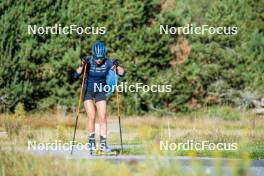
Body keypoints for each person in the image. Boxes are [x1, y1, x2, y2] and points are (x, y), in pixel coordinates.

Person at [73, 41, 124, 152]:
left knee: (102, 116)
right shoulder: (89, 62)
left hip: (100, 90)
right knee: (92, 116)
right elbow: (75, 74)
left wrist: (117, 65)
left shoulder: (107, 62)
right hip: (88, 90)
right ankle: (91, 142)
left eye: (101, 58)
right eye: (97, 58)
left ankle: (103, 145)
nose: (99, 60)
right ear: (93, 55)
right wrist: (82, 65)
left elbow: (121, 73)